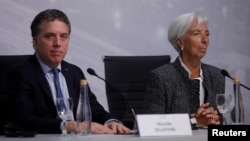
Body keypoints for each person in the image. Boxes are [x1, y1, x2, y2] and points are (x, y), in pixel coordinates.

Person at [6, 9, 130, 134]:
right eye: (49, 36)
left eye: (63, 37)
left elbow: (93, 108)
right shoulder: (20, 74)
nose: (58, 43)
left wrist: (110, 121)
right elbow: (24, 120)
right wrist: (68, 126)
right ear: (35, 42)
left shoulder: (74, 72)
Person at [143, 12, 225, 127]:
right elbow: (151, 125)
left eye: (207, 34)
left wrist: (216, 120)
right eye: (197, 34)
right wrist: (195, 121)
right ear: (180, 42)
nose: (205, 40)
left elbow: (222, 118)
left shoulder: (217, 75)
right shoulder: (161, 77)